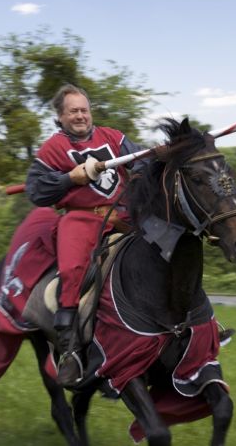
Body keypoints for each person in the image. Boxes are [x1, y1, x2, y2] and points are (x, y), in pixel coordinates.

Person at [25, 84, 143, 387]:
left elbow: (143, 163)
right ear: (61, 116)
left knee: (167, 244)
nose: (80, 115)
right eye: (73, 111)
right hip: (82, 218)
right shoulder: (52, 148)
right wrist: (69, 178)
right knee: (75, 266)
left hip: (122, 214)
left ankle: (196, 325)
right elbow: (37, 191)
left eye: (84, 110)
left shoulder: (114, 137)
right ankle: (72, 348)